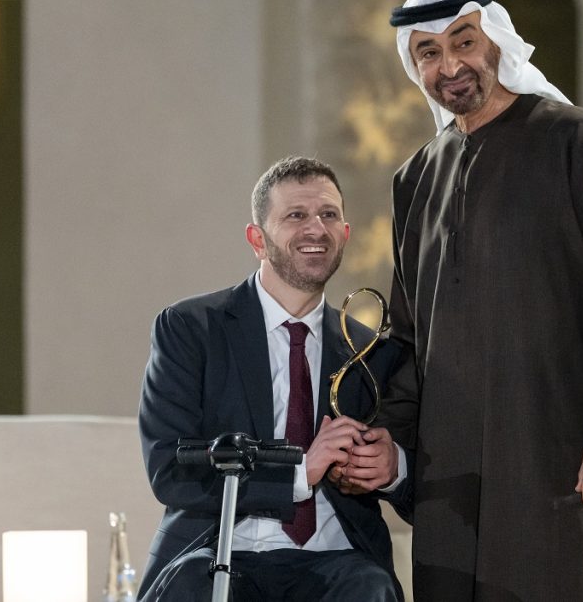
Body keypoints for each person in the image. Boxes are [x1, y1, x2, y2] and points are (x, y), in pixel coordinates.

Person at [340, 0, 583, 600]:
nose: (449, 65)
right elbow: (408, 334)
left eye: (464, 42)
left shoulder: (576, 140)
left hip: (562, 455)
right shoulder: (415, 179)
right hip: (453, 482)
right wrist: (393, 445)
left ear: (498, 43)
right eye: (429, 52)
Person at [138, 156, 408, 601]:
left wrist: (393, 467)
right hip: (219, 554)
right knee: (195, 588)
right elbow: (170, 469)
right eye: (296, 215)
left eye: (328, 215)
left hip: (336, 563)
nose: (315, 228)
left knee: (370, 587)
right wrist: (300, 473)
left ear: (345, 234)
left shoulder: (371, 350)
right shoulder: (191, 328)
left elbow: (417, 481)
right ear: (257, 240)